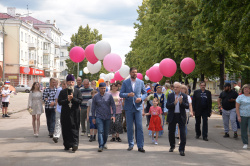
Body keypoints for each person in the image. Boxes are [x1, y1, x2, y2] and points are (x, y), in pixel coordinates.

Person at [120, 67, 147, 153]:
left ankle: (140, 146)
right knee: (130, 127)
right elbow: (121, 94)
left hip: (138, 107)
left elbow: (145, 93)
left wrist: (141, 98)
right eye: (133, 72)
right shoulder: (125, 82)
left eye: (136, 72)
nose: (134, 74)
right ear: (130, 73)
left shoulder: (141, 82)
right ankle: (131, 144)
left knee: (139, 127)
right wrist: (128, 94)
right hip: (128, 108)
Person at [58, 74, 82, 152]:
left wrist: (73, 98)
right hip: (65, 114)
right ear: (66, 82)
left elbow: (80, 101)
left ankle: (75, 144)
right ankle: (67, 144)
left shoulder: (78, 91)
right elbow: (59, 102)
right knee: (66, 129)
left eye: (72, 82)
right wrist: (67, 100)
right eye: (69, 82)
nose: (70, 83)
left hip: (75, 114)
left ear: (74, 83)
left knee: (75, 129)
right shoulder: (62, 92)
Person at [91, 83, 116, 152]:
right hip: (99, 116)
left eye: (104, 88)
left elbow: (113, 106)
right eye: (102, 88)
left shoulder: (109, 96)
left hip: (107, 117)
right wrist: (93, 117)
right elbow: (93, 108)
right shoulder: (96, 97)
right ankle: (100, 145)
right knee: (100, 131)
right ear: (99, 88)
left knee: (106, 132)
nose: (103, 90)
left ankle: (104, 142)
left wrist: (113, 115)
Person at [166, 82, 189, 156]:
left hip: (181, 116)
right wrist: (174, 103)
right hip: (172, 116)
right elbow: (167, 106)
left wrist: (181, 103)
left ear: (180, 88)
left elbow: (187, 106)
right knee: (171, 132)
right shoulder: (170, 96)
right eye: (174, 87)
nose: (175, 88)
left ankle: (182, 149)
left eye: (177, 87)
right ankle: (172, 146)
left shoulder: (184, 96)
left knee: (182, 133)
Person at [236, 84, 250, 149]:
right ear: (243, 90)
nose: (247, 90)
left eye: (248, 89)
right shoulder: (240, 97)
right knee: (243, 130)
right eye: (245, 89)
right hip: (243, 115)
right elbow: (237, 107)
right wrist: (238, 116)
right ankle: (245, 143)